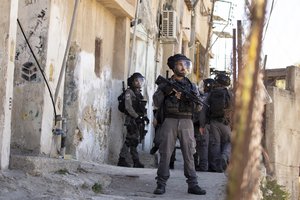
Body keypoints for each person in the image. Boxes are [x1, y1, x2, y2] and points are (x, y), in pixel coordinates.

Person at [152, 54, 206, 195]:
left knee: (189, 153)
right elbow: (156, 103)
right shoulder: (165, 84)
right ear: (174, 66)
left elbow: (199, 107)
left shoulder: (192, 86)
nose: (184, 68)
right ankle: (161, 184)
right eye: (180, 64)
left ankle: (193, 184)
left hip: (187, 121)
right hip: (169, 120)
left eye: (186, 65)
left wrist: (187, 100)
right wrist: (165, 91)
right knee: (165, 153)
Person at [117, 72, 148, 168]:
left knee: (133, 140)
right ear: (132, 82)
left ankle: (135, 161)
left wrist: (144, 117)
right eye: (136, 80)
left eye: (141, 80)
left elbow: (141, 107)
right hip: (131, 119)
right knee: (130, 140)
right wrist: (136, 117)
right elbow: (128, 107)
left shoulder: (139, 93)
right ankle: (123, 159)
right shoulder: (129, 92)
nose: (139, 82)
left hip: (137, 119)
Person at [206, 73, 232, 172]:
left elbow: (204, 109)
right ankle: (225, 156)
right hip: (225, 122)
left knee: (215, 144)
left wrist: (203, 123)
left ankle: (216, 167)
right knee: (229, 142)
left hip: (213, 122)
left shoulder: (211, 93)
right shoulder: (229, 94)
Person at [193, 78, 215, 171]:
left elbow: (197, 111)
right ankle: (211, 166)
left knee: (200, 146)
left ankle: (200, 165)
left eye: (204, 85)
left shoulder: (203, 97)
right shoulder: (214, 97)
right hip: (213, 124)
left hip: (200, 125)